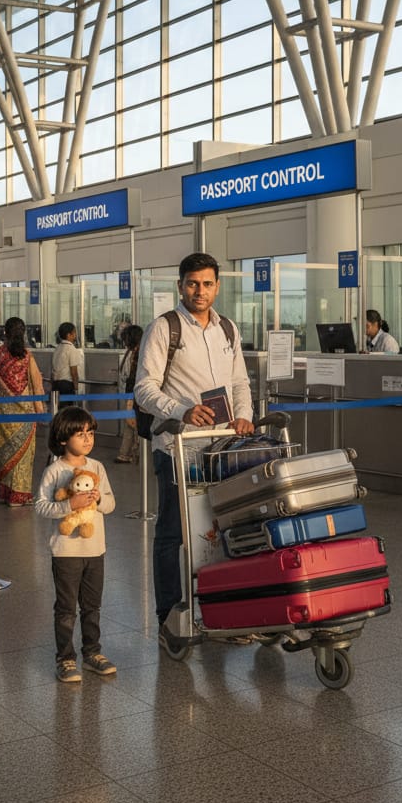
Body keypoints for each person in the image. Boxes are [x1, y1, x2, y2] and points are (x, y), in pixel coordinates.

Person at [133, 251, 253, 641]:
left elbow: (239, 383)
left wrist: (244, 414)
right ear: (180, 285)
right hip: (176, 447)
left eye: (206, 284)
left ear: (217, 286)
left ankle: (222, 612)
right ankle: (170, 617)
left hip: (221, 447)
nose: (199, 291)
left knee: (221, 530)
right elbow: (144, 388)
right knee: (173, 533)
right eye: (192, 283)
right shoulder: (165, 328)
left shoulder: (228, 330)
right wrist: (183, 410)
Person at [35, 406, 117, 683]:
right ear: (62, 438)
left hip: (95, 549)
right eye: (80, 434)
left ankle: (92, 652)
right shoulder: (54, 471)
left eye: (90, 433)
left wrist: (97, 501)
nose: (87, 439)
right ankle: (66, 657)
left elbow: (111, 502)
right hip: (66, 551)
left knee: (92, 605)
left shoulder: (97, 468)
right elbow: (41, 506)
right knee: (67, 607)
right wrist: (69, 504)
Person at [0, 316, 44, 506]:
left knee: (5, 455)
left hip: (3, 415)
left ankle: (5, 493)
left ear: (5, 332)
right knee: (24, 455)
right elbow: (37, 383)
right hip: (26, 415)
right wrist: (40, 409)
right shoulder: (26, 356)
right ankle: (19, 495)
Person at [115, 323, 143, 464]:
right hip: (134, 393)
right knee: (134, 424)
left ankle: (126, 453)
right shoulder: (137, 353)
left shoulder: (130, 354)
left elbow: (125, 375)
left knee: (131, 424)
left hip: (131, 393)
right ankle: (133, 453)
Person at [51, 322, 83, 395]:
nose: (75, 335)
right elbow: (74, 372)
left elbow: (53, 370)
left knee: (57, 406)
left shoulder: (57, 348)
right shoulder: (71, 349)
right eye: (74, 332)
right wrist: (76, 388)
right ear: (69, 335)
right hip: (66, 385)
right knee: (68, 406)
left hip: (55, 384)